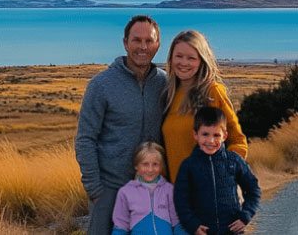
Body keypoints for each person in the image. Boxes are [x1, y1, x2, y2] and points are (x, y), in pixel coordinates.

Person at [75, 15, 168, 235]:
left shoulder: (165, 84)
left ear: (158, 45)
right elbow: (85, 139)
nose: (143, 47)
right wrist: (96, 190)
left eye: (149, 41)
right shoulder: (101, 85)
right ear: (125, 42)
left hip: (151, 189)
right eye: (137, 40)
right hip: (109, 190)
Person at [161, 30, 247, 183]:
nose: (184, 63)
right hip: (177, 196)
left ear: (202, 60)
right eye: (179, 56)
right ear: (171, 58)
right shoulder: (169, 94)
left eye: (191, 58)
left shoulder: (213, 92)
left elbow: (238, 140)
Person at [173, 107, 261, 235]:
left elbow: (254, 190)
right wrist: (193, 225)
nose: (210, 141)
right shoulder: (188, 166)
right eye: (205, 134)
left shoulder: (234, 161)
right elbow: (181, 200)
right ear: (195, 135)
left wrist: (245, 216)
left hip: (232, 231)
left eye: (216, 135)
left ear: (224, 136)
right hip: (204, 231)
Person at [111, 142, 186, 235]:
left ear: (161, 166)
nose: (150, 169)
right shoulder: (125, 192)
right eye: (145, 164)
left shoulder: (169, 190)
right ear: (136, 166)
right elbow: (120, 227)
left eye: (155, 164)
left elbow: (178, 224)